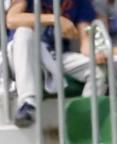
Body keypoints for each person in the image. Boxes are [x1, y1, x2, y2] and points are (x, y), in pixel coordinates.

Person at [6, 0, 106, 128]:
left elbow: (85, 42)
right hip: (21, 54)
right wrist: (55, 19)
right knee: (24, 31)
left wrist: (95, 54)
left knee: (97, 69)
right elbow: (12, 20)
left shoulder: (80, 2)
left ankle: (83, 123)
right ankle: (28, 104)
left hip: (54, 55)